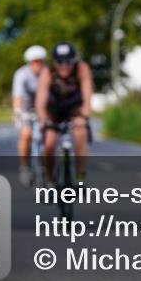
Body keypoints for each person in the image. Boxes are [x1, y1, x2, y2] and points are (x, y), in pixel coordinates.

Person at [36, 42, 92, 185]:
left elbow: (87, 96)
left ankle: (80, 177)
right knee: (49, 143)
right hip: (53, 111)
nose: (64, 66)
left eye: (68, 61)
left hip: (74, 109)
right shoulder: (47, 72)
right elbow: (40, 101)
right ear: (54, 62)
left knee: (80, 133)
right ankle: (50, 180)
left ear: (74, 60)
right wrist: (43, 119)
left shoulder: (82, 68)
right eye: (60, 62)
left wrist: (84, 116)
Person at [13, 45, 46, 186]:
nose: (38, 64)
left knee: (48, 136)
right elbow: (18, 96)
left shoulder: (47, 73)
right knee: (26, 134)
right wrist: (17, 112)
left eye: (40, 61)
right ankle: (24, 167)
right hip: (26, 108)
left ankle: (47, 166)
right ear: (29, 62)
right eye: (35, 61)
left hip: (43, 108)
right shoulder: (21, 74)